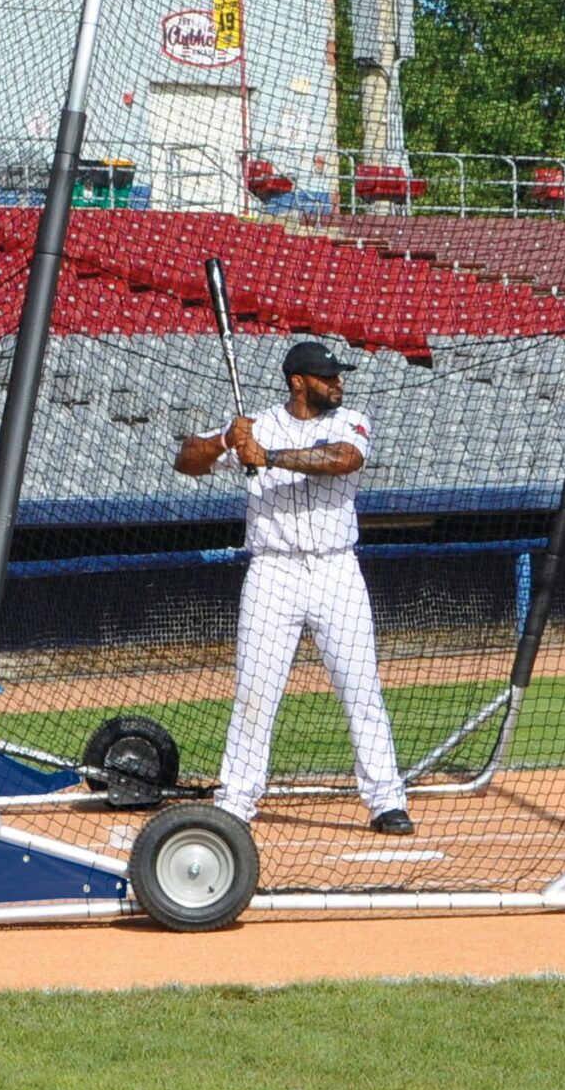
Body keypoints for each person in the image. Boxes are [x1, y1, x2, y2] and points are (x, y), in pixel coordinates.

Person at [174, 339, 412, 835]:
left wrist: (270, 456)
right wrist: (224, 440)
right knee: (255, 692)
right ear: (298, 382)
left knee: (361, 689)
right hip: (272, 573)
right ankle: (236, 799)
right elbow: (185, 460)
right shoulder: (254, 427)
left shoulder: (350, 420)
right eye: (327, 378)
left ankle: (386, 799)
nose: (337, 384)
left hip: (336, 571)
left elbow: (344, 459)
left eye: (338, 376)